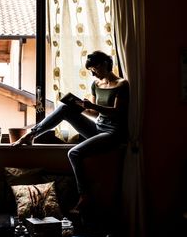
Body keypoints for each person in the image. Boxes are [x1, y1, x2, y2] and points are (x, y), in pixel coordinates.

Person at [12, 50, 130, 214]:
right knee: (65, 108)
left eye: (95, 70)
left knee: (74, 153)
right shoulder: (96, 85)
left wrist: (92, 106)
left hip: (113, 133)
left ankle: (84, 196)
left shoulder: (122, 84)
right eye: (91, 71)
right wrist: (79, 106)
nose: (93, 75)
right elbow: (94, 114)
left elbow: (118, 112)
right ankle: (31, 135)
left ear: (104, 65)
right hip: (98, 128)